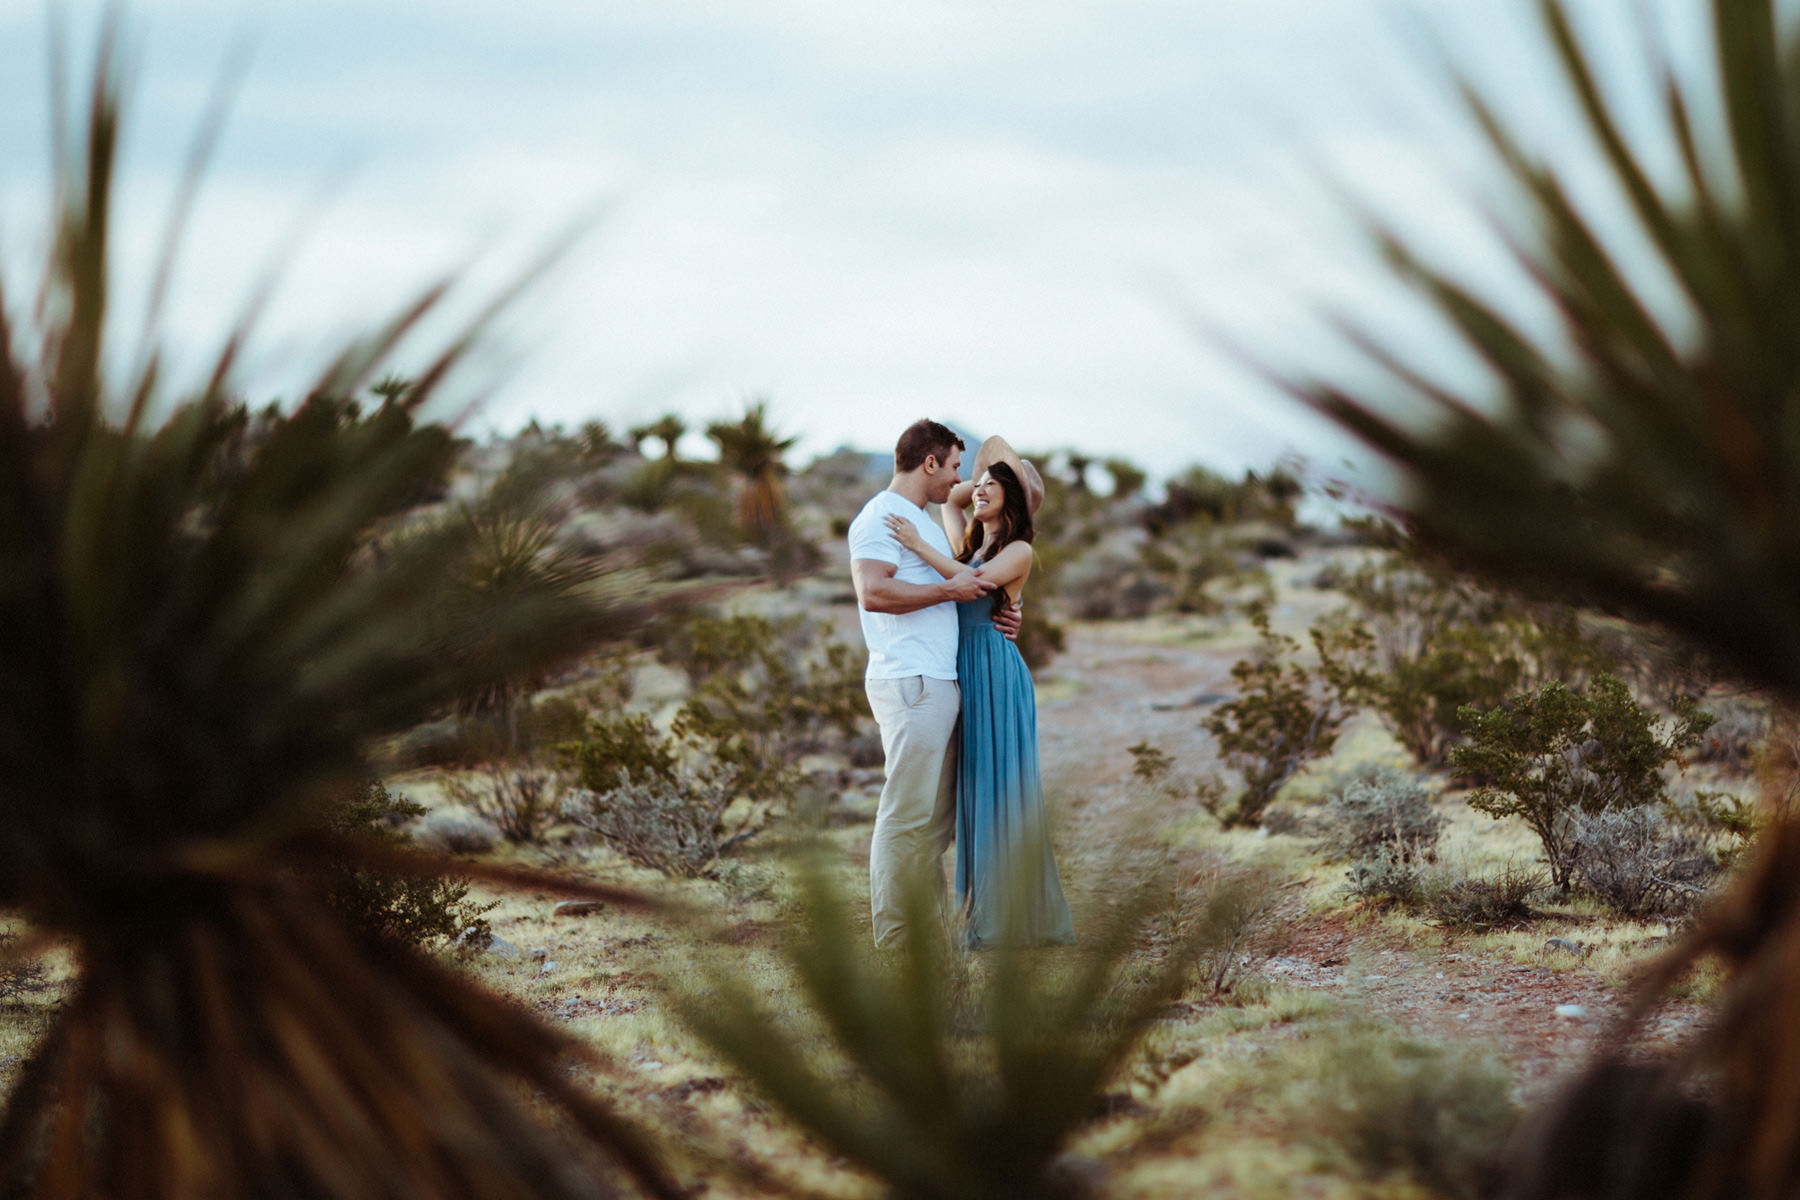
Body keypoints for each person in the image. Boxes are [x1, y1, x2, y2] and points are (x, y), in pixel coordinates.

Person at [884, 435, 1075, 949]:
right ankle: (986, 909)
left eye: (996, 484)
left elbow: (973, 584)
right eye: (982, 480)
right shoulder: (969, 544)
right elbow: (950, 498)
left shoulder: (1017, 551)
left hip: (995, 673)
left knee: (999, 790)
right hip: (963, 670)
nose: (981, 486)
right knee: (973, 792)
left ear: (1015, 503)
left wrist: (919, 545)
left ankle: (1007, 917)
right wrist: (988, 481)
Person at [847, 420, 1021, 947]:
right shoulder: (880, 518)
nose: (958, 481)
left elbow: (977, 502)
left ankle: (927, 942)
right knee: (904, 817)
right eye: (950, 467)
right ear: (928, 464)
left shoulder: (917, 519)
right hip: (911, 681)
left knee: (934, 827)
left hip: (940, 682)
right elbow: (873, 593)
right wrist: (949, 591)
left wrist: (1007, 609)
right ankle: (898, 943)